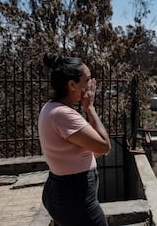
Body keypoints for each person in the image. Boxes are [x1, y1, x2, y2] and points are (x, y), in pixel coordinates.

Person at [38, 53, 111, 226]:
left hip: (63, 191)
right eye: (87, 80)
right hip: (75, 196)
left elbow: (73, 151)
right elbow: (104, 146)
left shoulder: (51, 108)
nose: (91, 85)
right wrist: (90, 108)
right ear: (72, 85)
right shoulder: (63, 114)